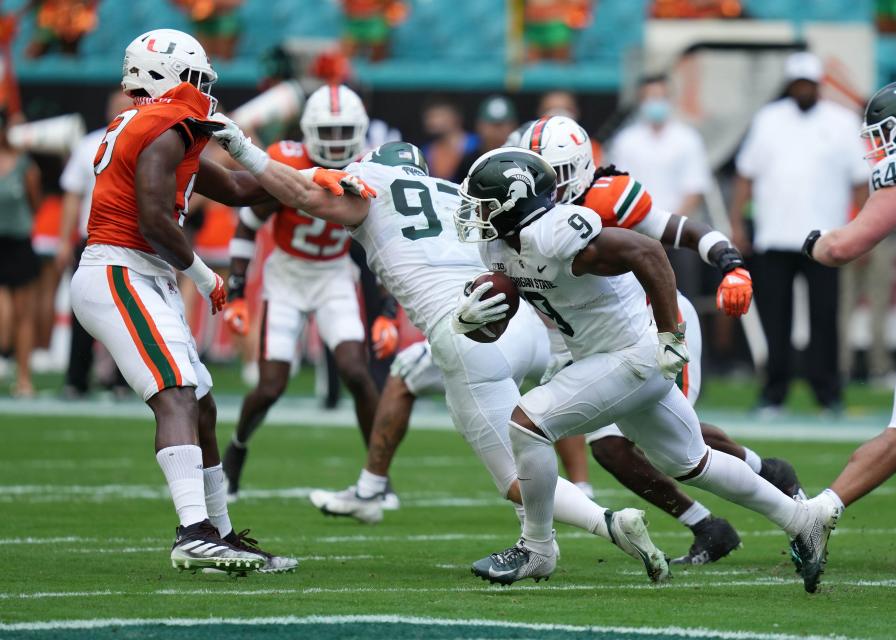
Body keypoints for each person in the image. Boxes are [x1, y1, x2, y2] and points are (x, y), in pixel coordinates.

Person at [209, 129, 686, 578]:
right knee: (508, 411)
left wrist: (247, 148)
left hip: (468, 326)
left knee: (515, 472)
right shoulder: (452, 190)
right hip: (524, 320)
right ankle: (378, 488)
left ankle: (600, 525)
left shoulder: (372, 183)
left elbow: (294, 193)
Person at [454, 147, 824, 587]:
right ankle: (803, 520)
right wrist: (470, 323)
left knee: (527, 424)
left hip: (632, 354)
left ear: (515, 201)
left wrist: (671, 335)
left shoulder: (555, 232)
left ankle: (536, 549)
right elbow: (496, 327)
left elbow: (648, 252)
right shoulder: (496, 247)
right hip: (603, 358)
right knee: (693, 462)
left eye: (483, 203)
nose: (473, 212)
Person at [68, 28, 323, 573]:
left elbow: (236, 190)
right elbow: (156, 220)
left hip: (140, 273)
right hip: (121, 270)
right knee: (177, 394)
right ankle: (193, 531)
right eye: (196, 78)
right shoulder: (163, 125)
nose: (204, 89)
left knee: (201, 405)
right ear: (166, 76)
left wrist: (315, 175)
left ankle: (221, 536)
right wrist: (208, 276)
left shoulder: (155, 124)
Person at [522, 115, 801, 564]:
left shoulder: (606, 196)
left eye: (551, 176)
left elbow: (677, 229)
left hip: (653, 328)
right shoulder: (525, 216)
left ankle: (768, 478)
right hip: (593, 343)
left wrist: (730, 261)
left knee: (667, 444)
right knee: (614, 448)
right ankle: (710, 524)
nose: (542, 188)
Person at [799, 78, 896, 590]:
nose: (880, 144)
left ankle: (818, 513)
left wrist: (815, 243)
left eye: (886, 131)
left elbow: (848, 246)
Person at [220, 84, 381, 501]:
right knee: (271, 385)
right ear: (308, 130)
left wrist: (386, 309)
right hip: (287, 279)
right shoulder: (286, 160)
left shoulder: (369, 164)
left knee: (357, 373)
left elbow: (384, 244)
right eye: (325, 132)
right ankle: (235, 451)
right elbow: (248, 225)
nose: (334, 141)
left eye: (343, 130)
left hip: (333, 276)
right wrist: (237, 292)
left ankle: (377, 475)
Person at [729, 52, 870, 414]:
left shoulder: (841, 122)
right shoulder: (768, 120)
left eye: (809, 83)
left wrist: (861, 233)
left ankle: (828, 393)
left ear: (818, 84)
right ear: (791, 85)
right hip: (774, 236)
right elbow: (746, 174)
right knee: (776, 321)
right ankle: (774, 393)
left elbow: (858, 184)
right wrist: (738, 224)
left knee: (826, 318)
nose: (804, 89)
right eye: (798, 83)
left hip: (828, 239)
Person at [57, 90, 133, 398]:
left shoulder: (145, 144)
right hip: (92, 237)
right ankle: (77, 378)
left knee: (129, 310)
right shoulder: (89, 145)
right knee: (82, 309)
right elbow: (73, 195)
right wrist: (64, 240)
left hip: (129, 237)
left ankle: (122, 379)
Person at [605, 74, 711, 295]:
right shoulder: (625, 141)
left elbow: (694, 189)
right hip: (637, 236)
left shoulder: (688, 139)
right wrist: (646, 229)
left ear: (670, 99)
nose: (656, 103)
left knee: (684, 297)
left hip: (679, 237)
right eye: (650, 97)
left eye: (661, 97)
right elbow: (619, 188)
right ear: (640, 101)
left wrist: (667, 229)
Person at [0, 109, 42, 397]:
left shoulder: (26, 166)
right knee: (4, 310)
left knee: (23, 314)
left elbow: (34, 204)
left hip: (18, 242)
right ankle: (4, 353)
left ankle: (23, 377)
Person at [452, 95, 517, 184]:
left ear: (514, 126)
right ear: (479, 126)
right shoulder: (469, 162)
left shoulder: (522, 160)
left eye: (503, 125)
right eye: (492, 125)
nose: (497, 131)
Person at [421, 96, 477, 182]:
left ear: (455, 117)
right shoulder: (426, 150)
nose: (432, 121)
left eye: (438, 115)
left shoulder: (477, 144)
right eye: (428, 117)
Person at [173, 0, 243, 60]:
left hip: (223, 19)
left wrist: (212, 4)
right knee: (204, 57)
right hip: (202, 21)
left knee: (224, 60)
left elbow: (238, 2)